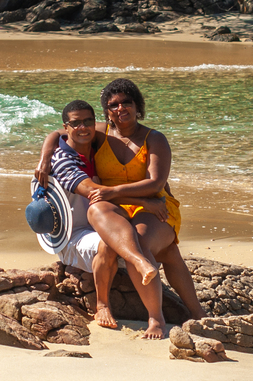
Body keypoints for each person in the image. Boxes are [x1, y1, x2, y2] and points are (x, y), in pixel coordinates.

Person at [38, 81, 205, 338]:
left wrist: (112, 191)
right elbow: (59, 134)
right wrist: (45, 158)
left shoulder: (155, 138)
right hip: (115, 205)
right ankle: (169, 308)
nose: (120, 108)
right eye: (113, 105)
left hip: (156, 206)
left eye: (126, 102)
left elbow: (156, 183)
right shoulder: (100, 133)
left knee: (143, 242)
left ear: (137, 106)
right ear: (106, 111)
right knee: (98, 212)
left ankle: (160, 318)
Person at [43, 99, 170, 335]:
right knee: (110, 242)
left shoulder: (94, 150)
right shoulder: (63, 160)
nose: (83, 127)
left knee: (141, 238)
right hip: (72, 236)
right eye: (76, 123)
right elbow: (94, 193)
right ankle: (102, 305)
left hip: (97, 223)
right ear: (66, 127)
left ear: (96, 123)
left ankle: (161, 317)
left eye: (88, 121)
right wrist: (145, 203)